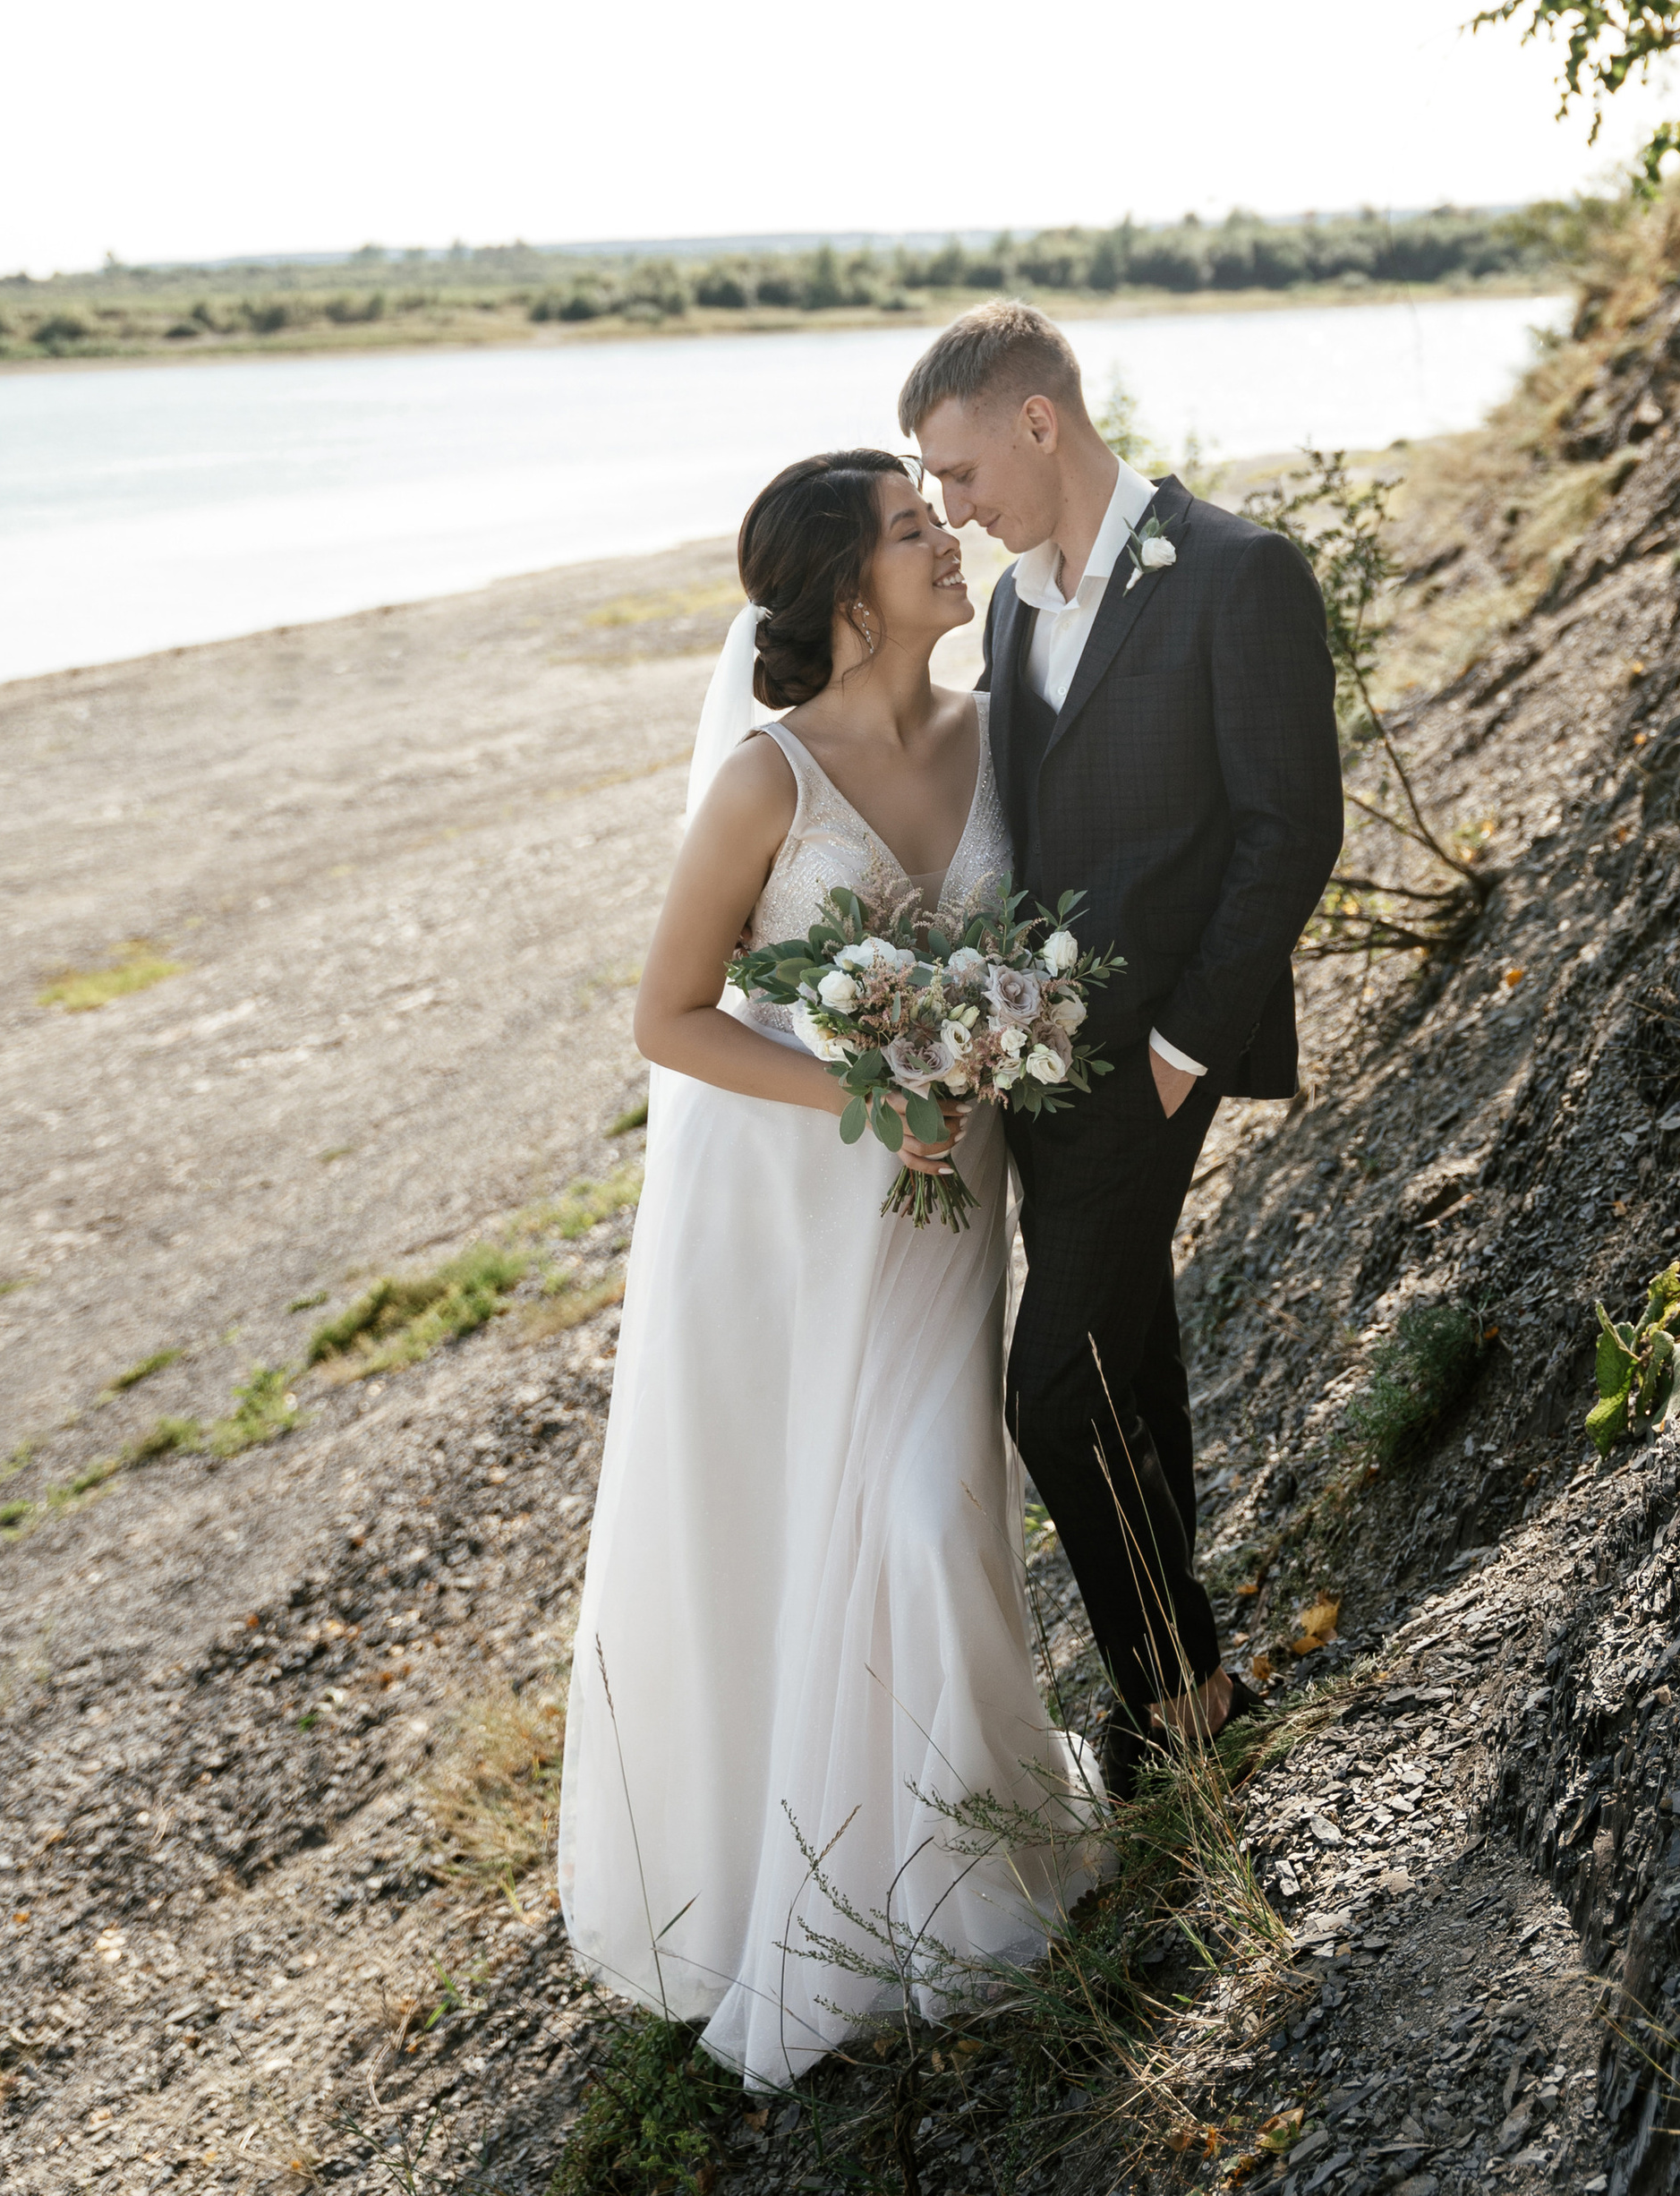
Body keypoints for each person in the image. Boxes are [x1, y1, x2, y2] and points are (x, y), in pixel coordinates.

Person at [558, 449, 1102, 2088]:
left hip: (953, 1216)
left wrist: (1004, 1049)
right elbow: (670, 1016)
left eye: (942, 518)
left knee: (938, 1516)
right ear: (846, 590)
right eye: (913, 529)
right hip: (808, 1214)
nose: (951, 540)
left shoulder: (1005, 729)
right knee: (821, 1516)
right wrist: (875, 1090)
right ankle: (831, 1876)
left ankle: (970, 1872)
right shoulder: (768, 782)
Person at [902, 305, 1343, 1798]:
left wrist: (1177, 1047)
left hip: (1157, 1053)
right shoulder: (1020, 606)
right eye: (933, 490)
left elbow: (1291, 829)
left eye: (961, 473)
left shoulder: (1238, 573)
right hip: (1039, 1070)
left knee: (1049, 1393)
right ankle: (1197, 1685)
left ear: (1040, 422)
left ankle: (1168, 1695)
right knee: (1127, 1364)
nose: (953, 511)